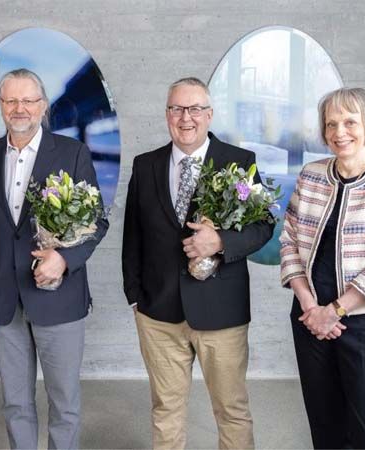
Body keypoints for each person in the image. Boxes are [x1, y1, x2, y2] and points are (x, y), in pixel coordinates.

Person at [122, 77, 273, 449]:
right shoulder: (145, 165)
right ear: (167, 115)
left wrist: (221, 241)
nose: (185, 118)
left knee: (231, 410)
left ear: (209, 114)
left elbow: (263, 227)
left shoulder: (240, 162)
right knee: (166, 410)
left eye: (193, 109)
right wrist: (137, 298)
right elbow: (133, 236)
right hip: (158, 314)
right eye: (176, 109)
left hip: (221, 313)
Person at [0, 68, 108, 449]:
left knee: (64, 403)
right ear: (0, 105)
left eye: (29, 100)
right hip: (2, 298)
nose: (20, 108)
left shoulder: (72, 152)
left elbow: (97, 222)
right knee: (15, 402)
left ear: (43, 106)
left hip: (58, 295)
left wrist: (64, 259)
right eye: (11, 100)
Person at [280, 87, 365, 449]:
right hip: (310, 317)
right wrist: (311, 306)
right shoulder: (311, 175)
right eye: (331, 124)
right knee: (326, 426)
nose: (340, 132)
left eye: (350, 122)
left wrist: (335, 310)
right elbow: (289, 241)